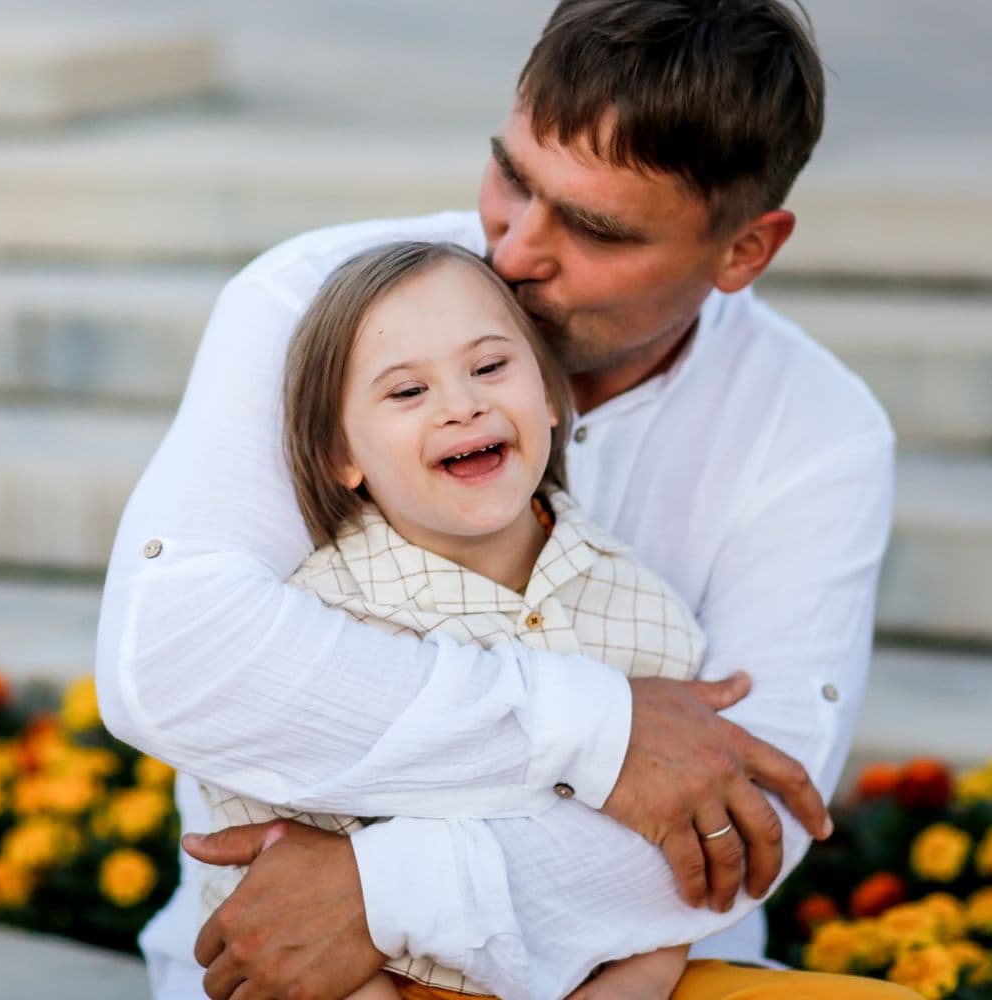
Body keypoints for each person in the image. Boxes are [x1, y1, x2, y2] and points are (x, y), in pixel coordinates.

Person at [96, 0, 899, 1000]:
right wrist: (600, 732)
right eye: (511, 177)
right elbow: (175, 658)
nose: (516, 250)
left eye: (597, 228)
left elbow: (750, 819)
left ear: (745, 250)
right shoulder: (314, 305)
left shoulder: (820, 431)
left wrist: (388, 891)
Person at [198, 239, 709, 1000]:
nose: (462, 404)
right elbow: (269, 912)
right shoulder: (314, 625)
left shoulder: (639, 609)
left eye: (490, 367)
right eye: (407, 392)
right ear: (343, 454)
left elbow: (667, 883)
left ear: (547, 397)